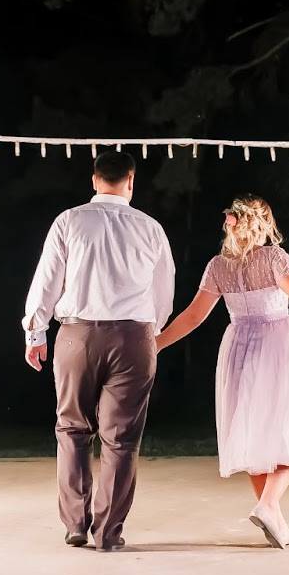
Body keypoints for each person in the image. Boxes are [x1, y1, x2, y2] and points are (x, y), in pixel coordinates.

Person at [155, 196, 289, 547]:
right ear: (263, 224)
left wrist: (156, 344)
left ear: (232, 223)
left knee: (253, 433)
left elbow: (193, 317)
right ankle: (268, 505)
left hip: (237, 349)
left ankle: (274, 518)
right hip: (275, 347)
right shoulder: (274, 258)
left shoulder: (218, 266)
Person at [22, 151, 174, 551]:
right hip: (134, 338)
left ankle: (75, 523)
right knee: (121, 439)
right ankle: (108, 533)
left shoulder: (69, 221)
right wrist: (147, 333)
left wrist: (35, 332)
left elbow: (47, 280)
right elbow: (164, 293)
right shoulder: (151, 228)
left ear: (94, 180)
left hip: (78, 335)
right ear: (130, 181)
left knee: (72, 429)